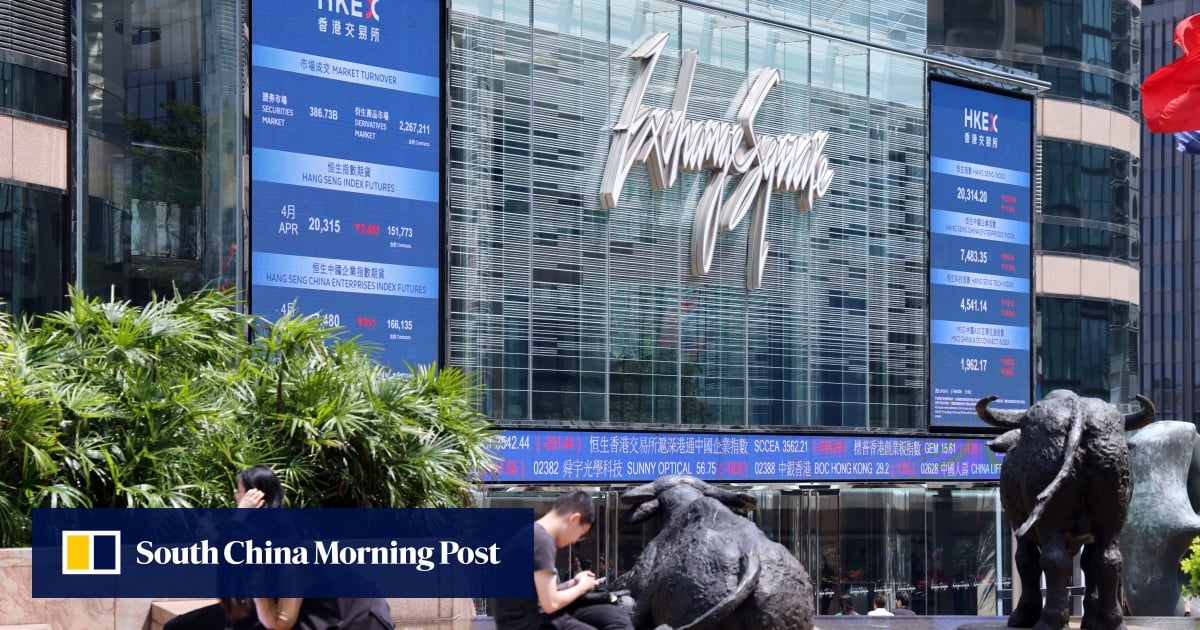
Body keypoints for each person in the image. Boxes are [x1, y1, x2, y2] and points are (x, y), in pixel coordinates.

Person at [493, 491, 633, 630]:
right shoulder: (542, 541)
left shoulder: (534, 534)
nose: (574, 541)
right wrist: (582, 587)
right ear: (574, 519)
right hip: (528, 623)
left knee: (611, 616)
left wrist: (572, 583)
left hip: (523, 619)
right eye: (580, 534)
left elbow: (539, 595)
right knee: (614, 620)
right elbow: (551, 604)